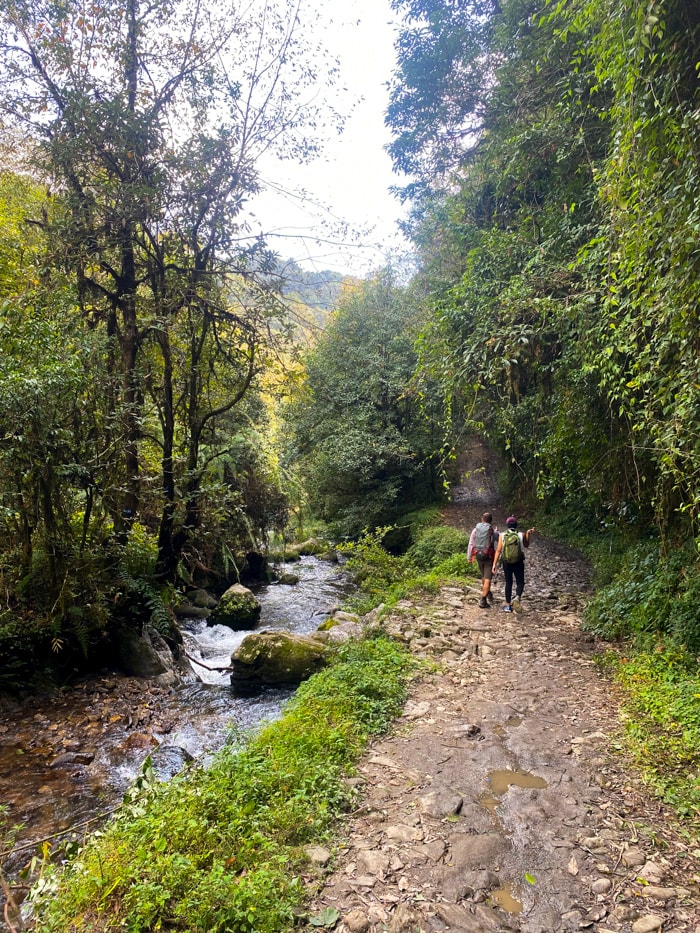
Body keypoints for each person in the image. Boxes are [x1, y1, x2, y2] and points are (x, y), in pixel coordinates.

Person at [492, 516, 535, 612]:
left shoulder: (502, 535)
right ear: (516, 525)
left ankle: (507, 606)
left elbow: (498, 551)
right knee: (520, 582)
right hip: (518, 561)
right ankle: (517, 597)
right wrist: (528, 533)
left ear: (507, 525)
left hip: (506, 562)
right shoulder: (521, 535)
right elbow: (527, 545)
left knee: (508, 582)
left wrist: (494, 564)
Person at [467, 511, 498, 609]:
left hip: (478, 555)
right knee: (488, 578)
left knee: (484, 576)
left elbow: (471, 543)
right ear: (490, 521)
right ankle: (483, 600)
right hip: (488, 557)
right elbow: (500, 541)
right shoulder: (492, 531)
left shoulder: (475, 530)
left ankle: (487, 592)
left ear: (482, 519)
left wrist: (469, 557)